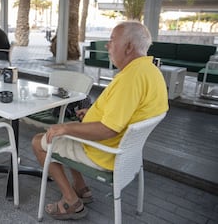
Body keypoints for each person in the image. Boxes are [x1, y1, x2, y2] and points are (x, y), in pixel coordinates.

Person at [31, 21, 169, 220]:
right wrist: (91, 113)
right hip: (127, 152)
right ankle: (81, 188)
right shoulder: (150, 71)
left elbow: (107, 129)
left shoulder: (130, 79)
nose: (107, 45)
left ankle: (72, 201)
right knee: (72, 132)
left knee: (40, 141)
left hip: (104, 151)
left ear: (129, 47)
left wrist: (65, 127)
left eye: (112, 40)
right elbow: (126, 113)